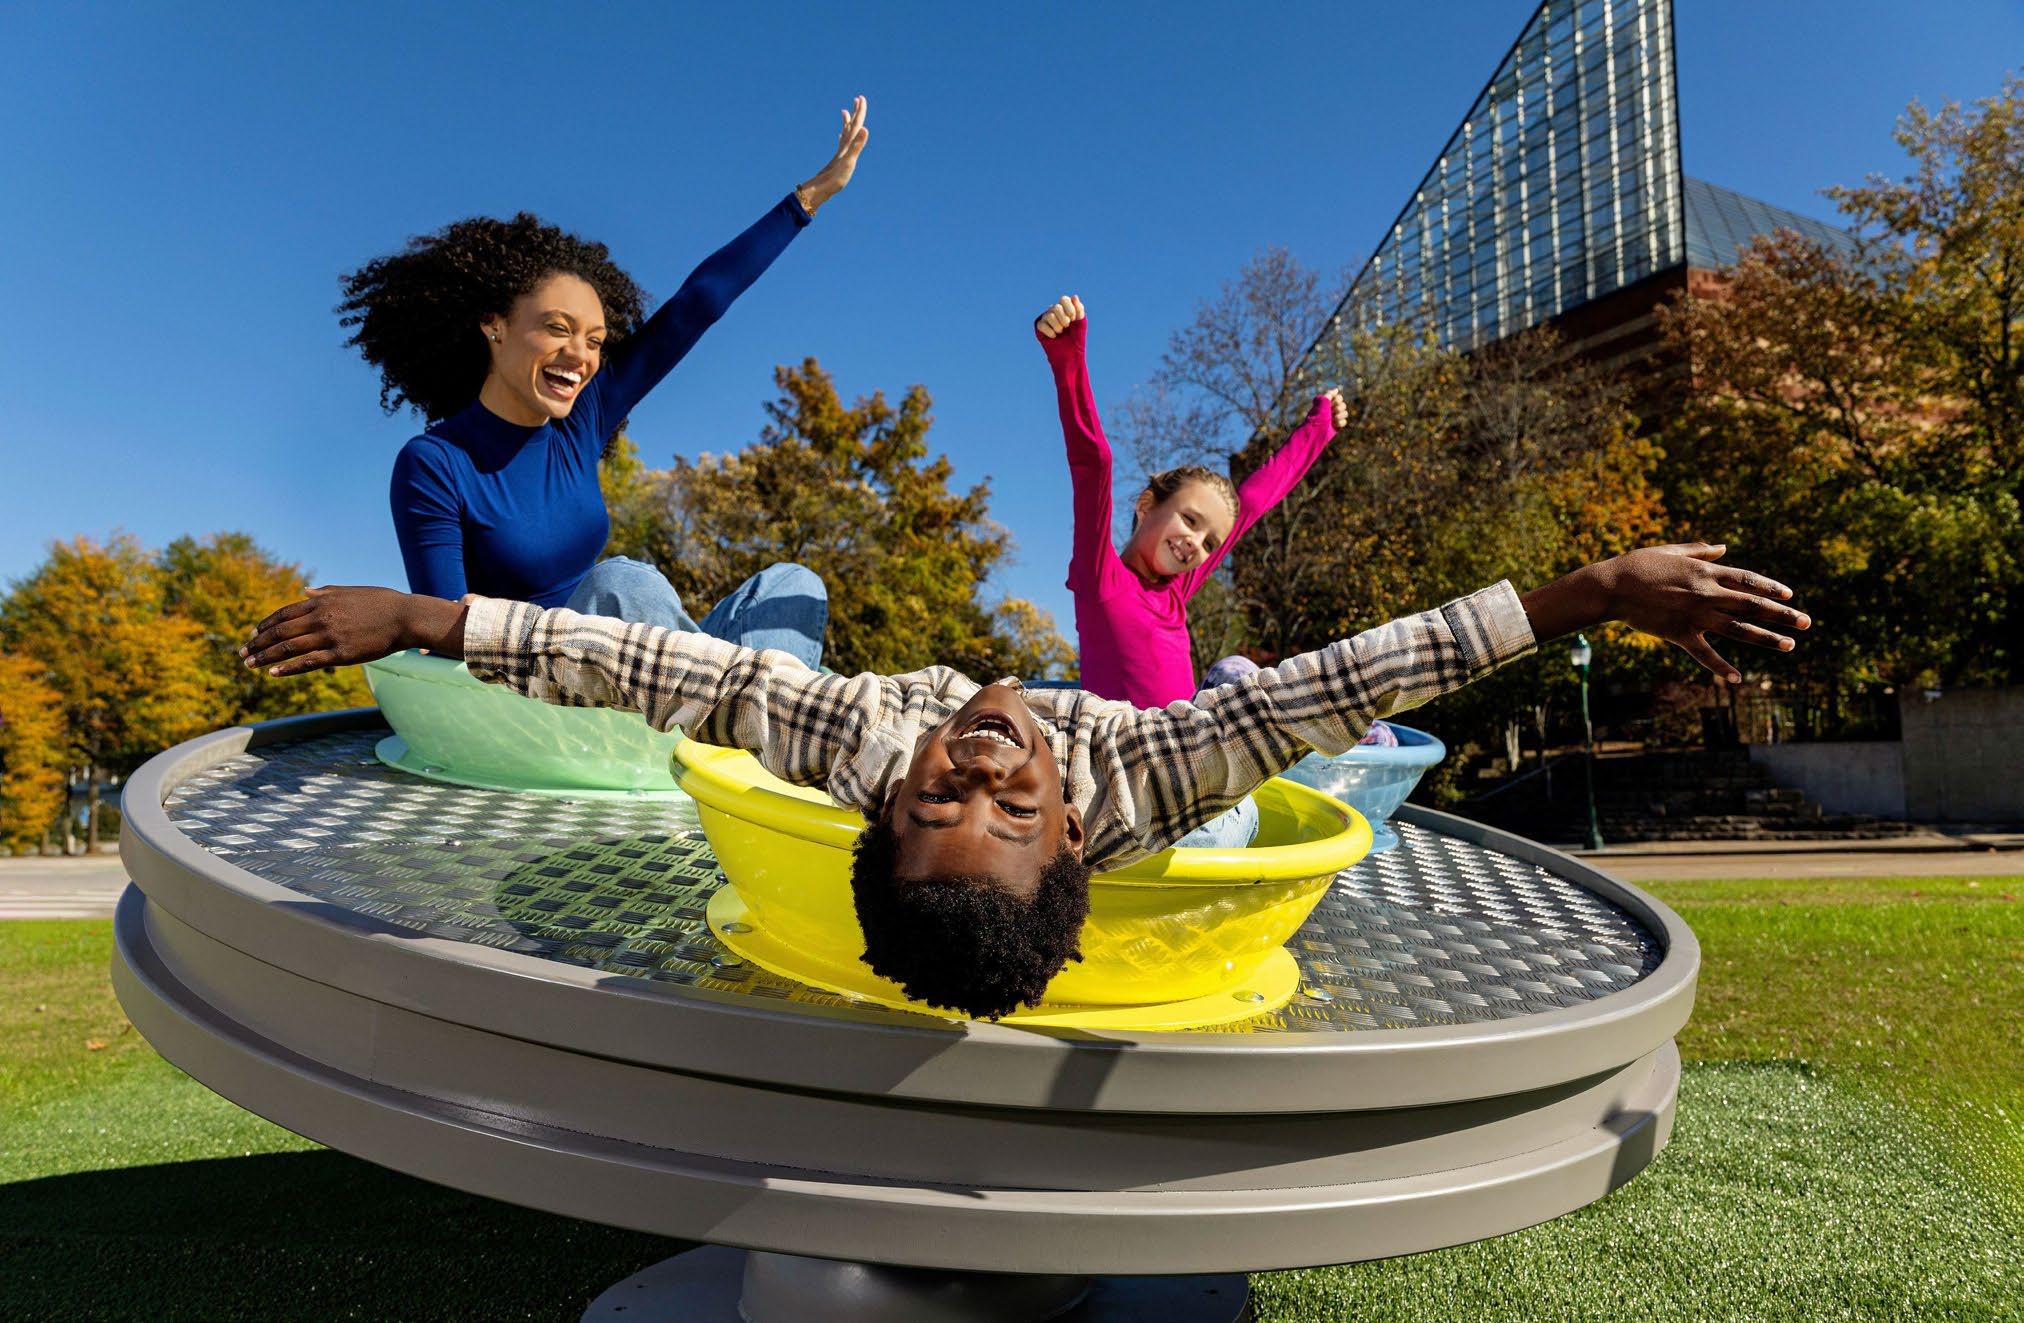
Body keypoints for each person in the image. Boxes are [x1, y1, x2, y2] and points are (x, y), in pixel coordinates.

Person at [240, 543, 1808, 1020]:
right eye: (1010, 807)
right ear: (1075, 833)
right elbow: (1350, 676)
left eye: (946, 799)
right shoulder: (1138, 776)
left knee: (715, 612)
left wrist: (431, 620)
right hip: (1184, 772)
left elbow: (663, 675)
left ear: (881, 806)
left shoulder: (867, 744)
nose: (984, 766)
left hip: (812, 695)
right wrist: (1593, 590)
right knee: (1284, 742)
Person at [340, 97, 872, 665]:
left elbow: (697, 305)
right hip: (534, 679)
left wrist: (810, 198)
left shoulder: (582, 422)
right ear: (495, 326)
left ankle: (742, 708)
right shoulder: (435, 463)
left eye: (594, 340)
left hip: (627, 671)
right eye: (557, 328)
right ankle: (744, 706)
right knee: (622, 584)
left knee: (793, 585)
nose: (580, 355)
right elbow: (443, 632)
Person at [1034, 293, 1349, 844]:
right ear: (1146, 505)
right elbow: (1093, 462)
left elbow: (1256, 499)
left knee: (1236, 670)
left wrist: (1318, 427)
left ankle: (1305, 769)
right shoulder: (1102, 580)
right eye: (1189, 520)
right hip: (1140, 785)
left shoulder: (1177, 591)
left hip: (1194, 763)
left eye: (1209, 542)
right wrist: (1068, 356)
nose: (1196, 544)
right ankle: (1230, 814)